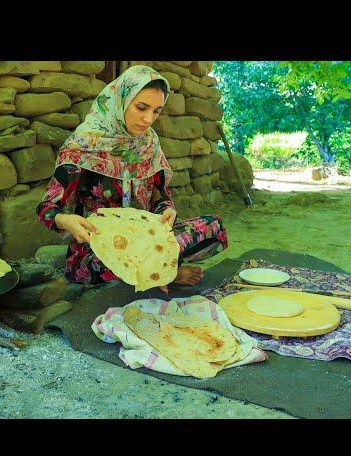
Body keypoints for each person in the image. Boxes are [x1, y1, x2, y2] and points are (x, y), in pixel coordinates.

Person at [36, 65, 228, 293]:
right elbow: (47, 208)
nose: (148, 119)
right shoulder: (84, 145)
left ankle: (157, 271)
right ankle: (165, 273)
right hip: (100, 248)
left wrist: (167, 210)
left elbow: (161, 196)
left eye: (157, 111)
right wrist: (66, 221)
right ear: (121, 99)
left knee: (213, 226)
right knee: (105, 266)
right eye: (141, 107)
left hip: (145, 240)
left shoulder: (148, 143)